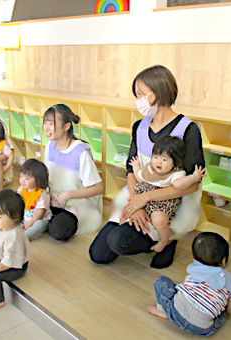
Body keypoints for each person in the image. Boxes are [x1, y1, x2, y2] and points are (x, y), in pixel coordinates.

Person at [89, 65, 205, 268]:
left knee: (119, 241)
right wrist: (136, 203)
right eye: (137, 94)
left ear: (158, 91)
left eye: (141, 94)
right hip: (139, 195)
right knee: (98, 254)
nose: (138, 100)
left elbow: (193, 185)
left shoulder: (188, 129)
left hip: (169, 204)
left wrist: (145, 199)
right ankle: (149, 234)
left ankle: (168, 239)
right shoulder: (139, 127)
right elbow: (130, 171)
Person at [148, 232, 231, 336]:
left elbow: (187, 286)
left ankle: (163, 311)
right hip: (202, 329)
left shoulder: (194, 270)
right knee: (222, 314)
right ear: (224, 261)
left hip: (175, 313)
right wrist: (226, 309)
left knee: (161, 281)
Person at [130, 136, 205, 252]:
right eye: (155, 157)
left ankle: (164, 240)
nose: (158, 162)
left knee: (159, 220)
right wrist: (136, 167)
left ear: (175, 162)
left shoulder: (176, 173)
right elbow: (140, 178)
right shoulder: (150, 168)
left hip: (163, 201)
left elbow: (179, 185)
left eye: (164, 160)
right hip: (145, 196)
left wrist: (194, 177)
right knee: (128, 209)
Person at [43, 104, 103, 241]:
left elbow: (98, 188)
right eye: (45, 123)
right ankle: (47, 218)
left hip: (77, 206)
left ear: (66, 126)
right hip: (54, 201)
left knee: (60, 229)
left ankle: (49, 220)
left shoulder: (80, 152)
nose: (46, 127)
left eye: (51, 124)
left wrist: (69, 194)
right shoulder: (50, 146)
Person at [17, 158, 52, 240]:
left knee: (40, 224)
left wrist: (31, 222)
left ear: (38, 179)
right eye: (21, 176)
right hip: (25, 218)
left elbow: (40, 213)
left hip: (39, 219)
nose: (22, 180)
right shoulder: (22, 189)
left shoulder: (41, 194)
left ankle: (23, 238)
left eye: (27, 178)